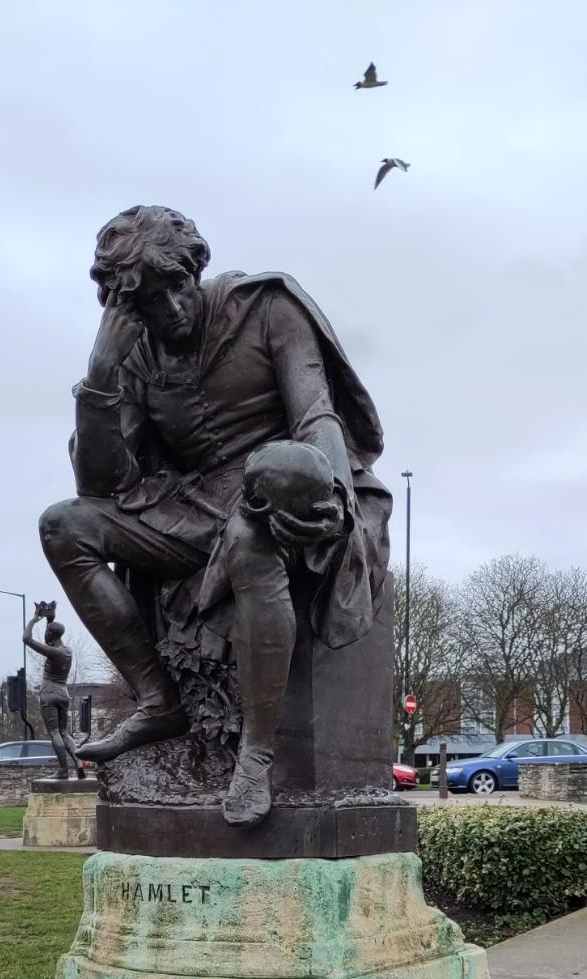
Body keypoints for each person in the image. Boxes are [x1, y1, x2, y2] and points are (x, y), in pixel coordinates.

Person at [39, 205, 392, 825]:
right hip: (190, 510)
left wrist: (333, 499)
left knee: (251, 536)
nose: (171, 309)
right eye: (148, 301)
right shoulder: (134, 355)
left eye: (177, 286)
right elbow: (101, 485)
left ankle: (256, 754)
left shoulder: (267, 307)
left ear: (195, 270)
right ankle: (158, 701)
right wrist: (99, 379)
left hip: (285, 494)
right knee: (63, 525)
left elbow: (316, 416)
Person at [23, 604, 85, 780]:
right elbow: (49, 642)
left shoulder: (54, 653)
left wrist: (34, 620)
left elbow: (26, 638)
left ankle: (63, 770)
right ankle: (78, 762)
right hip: (63, 693)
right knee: (64, 732)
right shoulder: (67, 651)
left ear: (51, 634)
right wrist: (49, 620)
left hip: (49, 693)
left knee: (55, 732)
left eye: (48, 633)